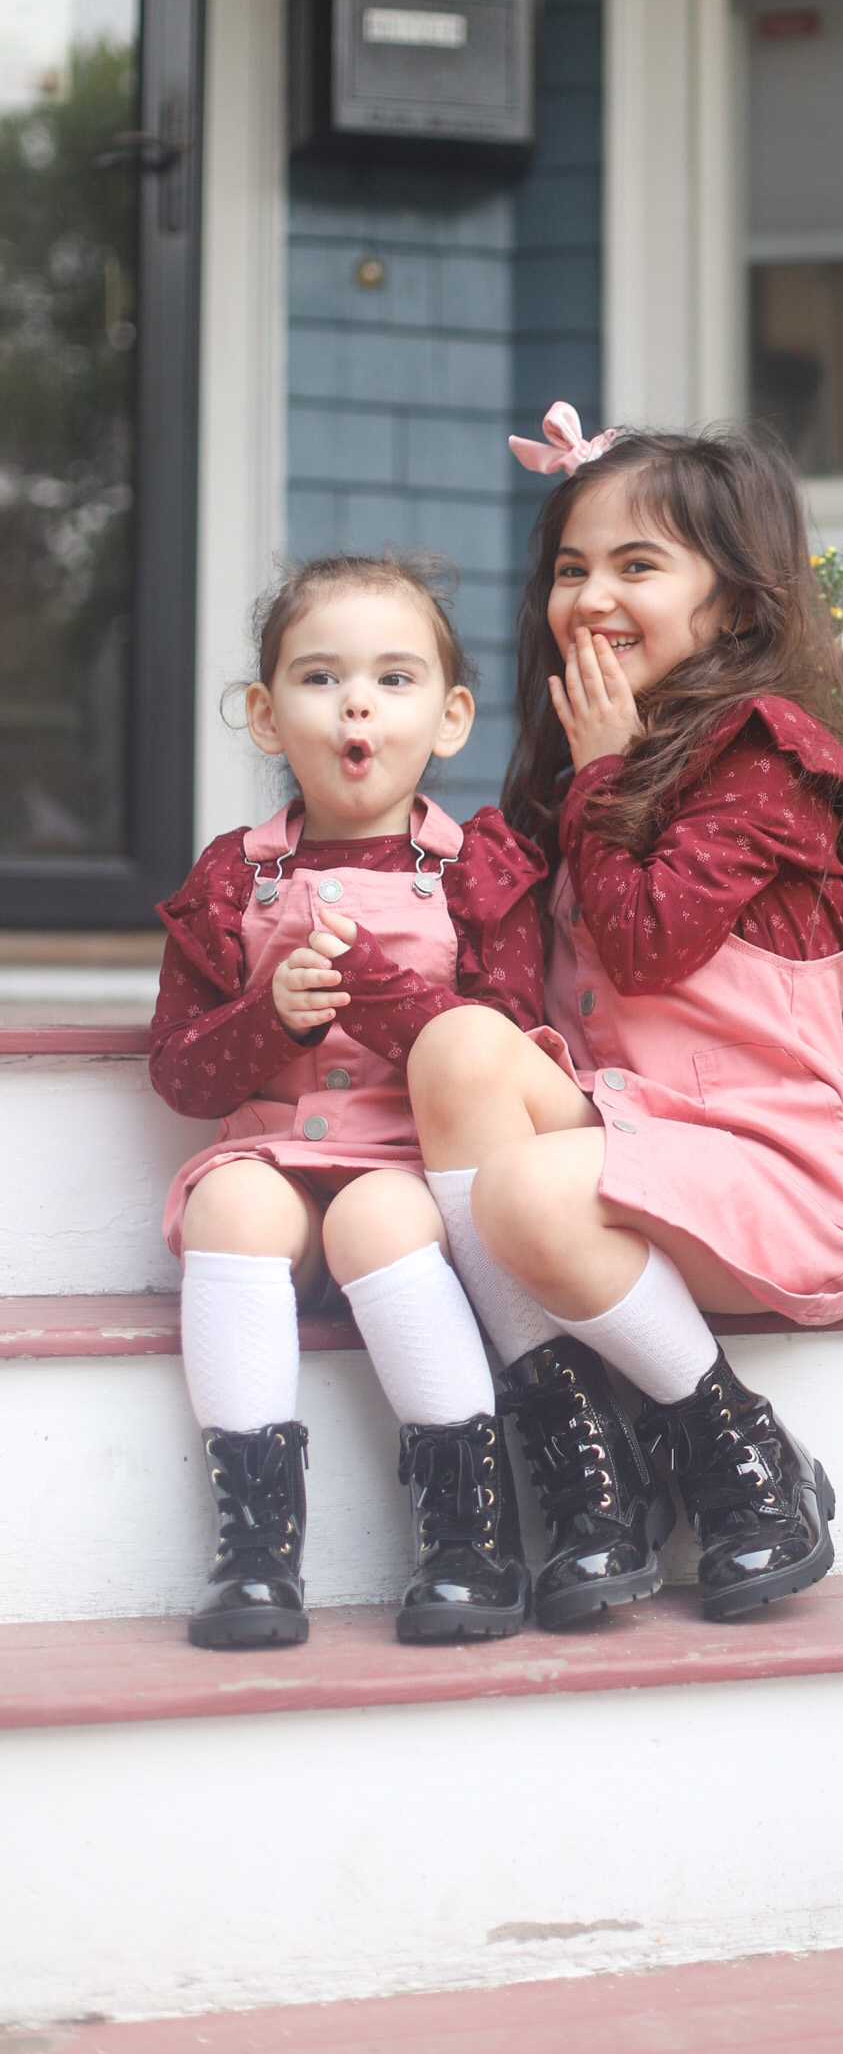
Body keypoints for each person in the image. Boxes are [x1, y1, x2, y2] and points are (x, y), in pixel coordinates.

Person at [406, 417, 843, 1630]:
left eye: (638, 566)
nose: (591, 596)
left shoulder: (765, 760)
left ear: (735, 607)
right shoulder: (582, 758)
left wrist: (605, 775)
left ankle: (734, 1446)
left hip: (759, 1166)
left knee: (524, 1196)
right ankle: (587, 1462)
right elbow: (512, 1002)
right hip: (629, 1150)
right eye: (572, 568)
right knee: (456, 1051)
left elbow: (644, 941)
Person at [152, 554, 548, 1650]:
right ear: (266, 716)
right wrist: (265, 1018)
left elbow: (510, 1043)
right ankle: (255, 1550)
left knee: (379, 1216)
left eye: (395, 677)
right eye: (320, 678)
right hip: (271, 1159)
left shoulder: (477, 871)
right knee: (232, 1208)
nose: (357, 703)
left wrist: (382, 996)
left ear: (452, 716)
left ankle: (469, 1529)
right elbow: (180, 1077)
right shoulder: (235, 875)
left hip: (407, 1172)